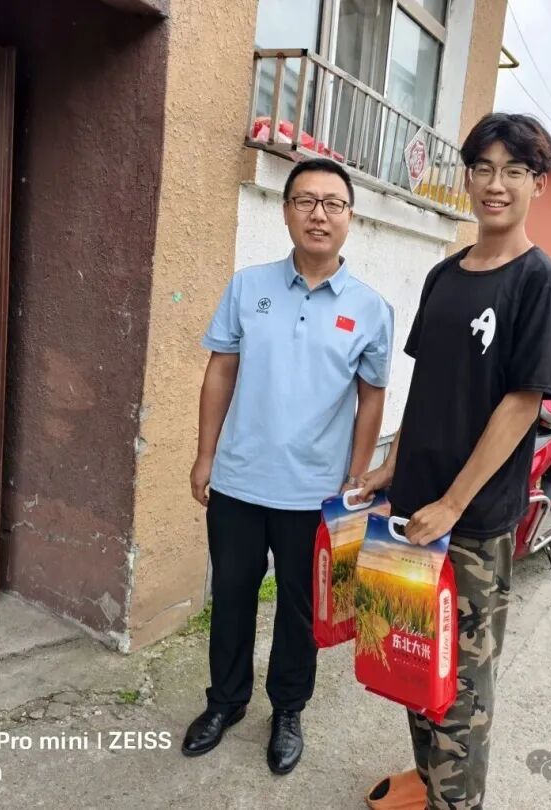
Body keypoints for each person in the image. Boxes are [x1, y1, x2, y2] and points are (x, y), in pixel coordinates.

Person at [357, 113, 551, 810]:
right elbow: (428, 384)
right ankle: (428, 781)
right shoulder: (444, 275)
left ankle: (457, 802)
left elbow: (522, 403)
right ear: (469, 178)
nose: (495, 184)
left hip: (470, 520)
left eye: (514, 171)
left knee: (462, 683)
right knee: (414, 658)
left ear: (537, 184)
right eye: (483, 169)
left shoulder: (539, 282)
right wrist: (392, 467)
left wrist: (453, 502)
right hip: (411, 509)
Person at [184, 158, 394, 775]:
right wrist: (205, 455)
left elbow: (371, 396)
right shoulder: (248, 287)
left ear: (350, 217)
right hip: (239, 482)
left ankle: (288, 711)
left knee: (301, 611)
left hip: (315, 494)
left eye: (333, 203)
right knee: (232, 598)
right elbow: (220, 370)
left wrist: (356, 475)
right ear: (285, 212)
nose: (318, 215)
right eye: (305, 201)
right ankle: (225, 702)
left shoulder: (371, 308)